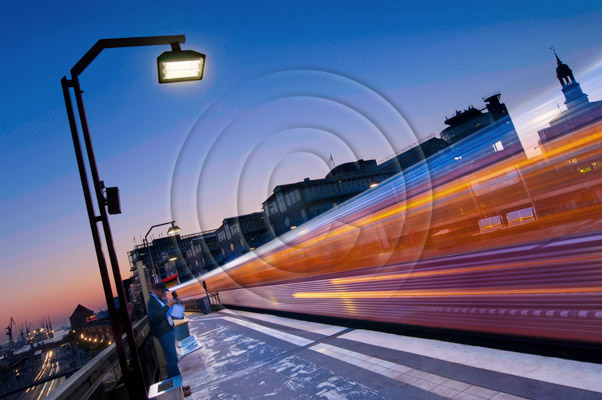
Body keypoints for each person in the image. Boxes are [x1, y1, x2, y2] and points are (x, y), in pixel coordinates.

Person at [148, 283, 191, 397]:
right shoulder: (152, 302)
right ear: (156, 290)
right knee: (172, 361)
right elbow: (155, 317)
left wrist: (174, 307)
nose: (164, 294)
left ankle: (178, 387)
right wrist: (168, 305)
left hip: (168, 331)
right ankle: (178, 390)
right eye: (162, 292)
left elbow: (167, 314)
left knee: (172, 361)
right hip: (164, 333)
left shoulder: (159, 299)